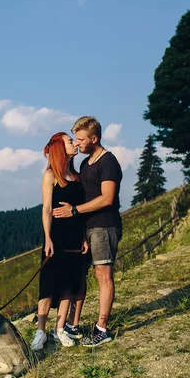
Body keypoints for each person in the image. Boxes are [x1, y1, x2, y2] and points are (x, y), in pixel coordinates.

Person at [53, 116, 123, 347]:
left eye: (81, 139)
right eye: (76, 139)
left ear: (94, 138)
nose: (78, 143)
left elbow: (107, 198)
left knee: (103, 275)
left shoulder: (108, 161)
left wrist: (75, 210)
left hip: (105, 225)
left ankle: (102, 329)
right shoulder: (85, 164)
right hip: (89, 227)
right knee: (84, 275)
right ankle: (73, 324)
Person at [31, 132, 90, 351]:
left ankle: (60, 329)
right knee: (47, 285)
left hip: (75, 235)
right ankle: (40, 331)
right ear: (58, 147)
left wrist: (84, 236)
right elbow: (46, 208)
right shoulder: (50, 175)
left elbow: (80, 212)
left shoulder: (76, 175)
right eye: (69, 141)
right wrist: (47, 238)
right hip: (56, 236)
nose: (74, 144)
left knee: (69, 285)